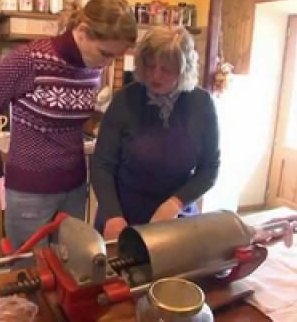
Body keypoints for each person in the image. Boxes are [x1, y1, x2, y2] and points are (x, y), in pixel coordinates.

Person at [0, 0, 137, 252]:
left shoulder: (94, 66)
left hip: (74, 189)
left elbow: (72, 118)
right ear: (83, 31)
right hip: (29, 193)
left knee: (71, 269)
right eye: (105, 53)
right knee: (31, 274)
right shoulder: (28, 61)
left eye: (114, 56)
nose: (108, 62)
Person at [91, 26, 220, 240]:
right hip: (123, 217)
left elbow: (210, 168)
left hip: (176, 217)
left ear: (183, 69)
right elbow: (102, 165)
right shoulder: (125, 100)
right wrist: (113, 215)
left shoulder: (202, 104)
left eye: (166, 69)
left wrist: (175, 203)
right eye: (150, 66)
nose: (155, 76)